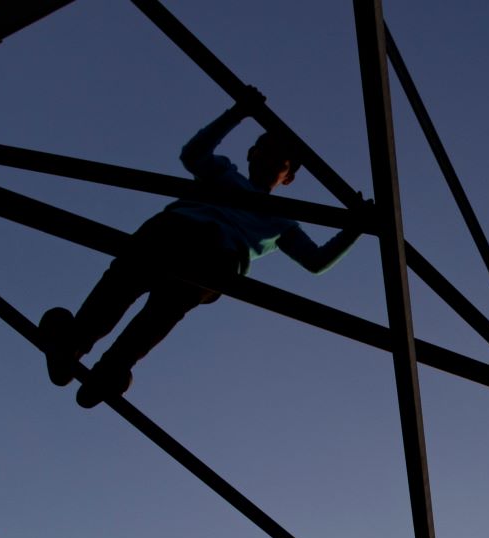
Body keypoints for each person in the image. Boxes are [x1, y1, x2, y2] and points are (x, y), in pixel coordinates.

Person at [38, 86, 365, 407]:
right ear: (251, 153)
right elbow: (194, 153)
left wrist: (354, 228)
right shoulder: (225, 174)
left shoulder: (282, 221)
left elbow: (316, 260)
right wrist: (238, 113)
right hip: (178, 230)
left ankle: (110, 364)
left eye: (280, 159)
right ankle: (77, 343)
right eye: (263, 147)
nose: (269, 156)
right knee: (123, 282)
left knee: (162, 309)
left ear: (288, 177)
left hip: (216, 256)